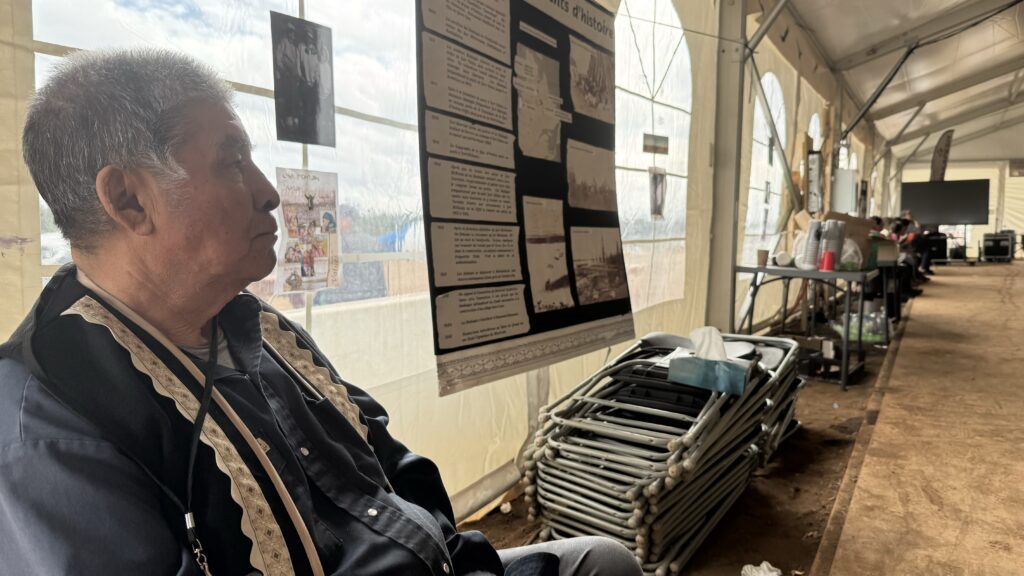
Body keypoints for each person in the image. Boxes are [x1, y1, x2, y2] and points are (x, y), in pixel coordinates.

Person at [0, 49, 641, 576]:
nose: (268, 191)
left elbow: (385, 459)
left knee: (604, 561)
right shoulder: (50, 427)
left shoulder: (255, 323)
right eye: (230, 160)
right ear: (129, 201)